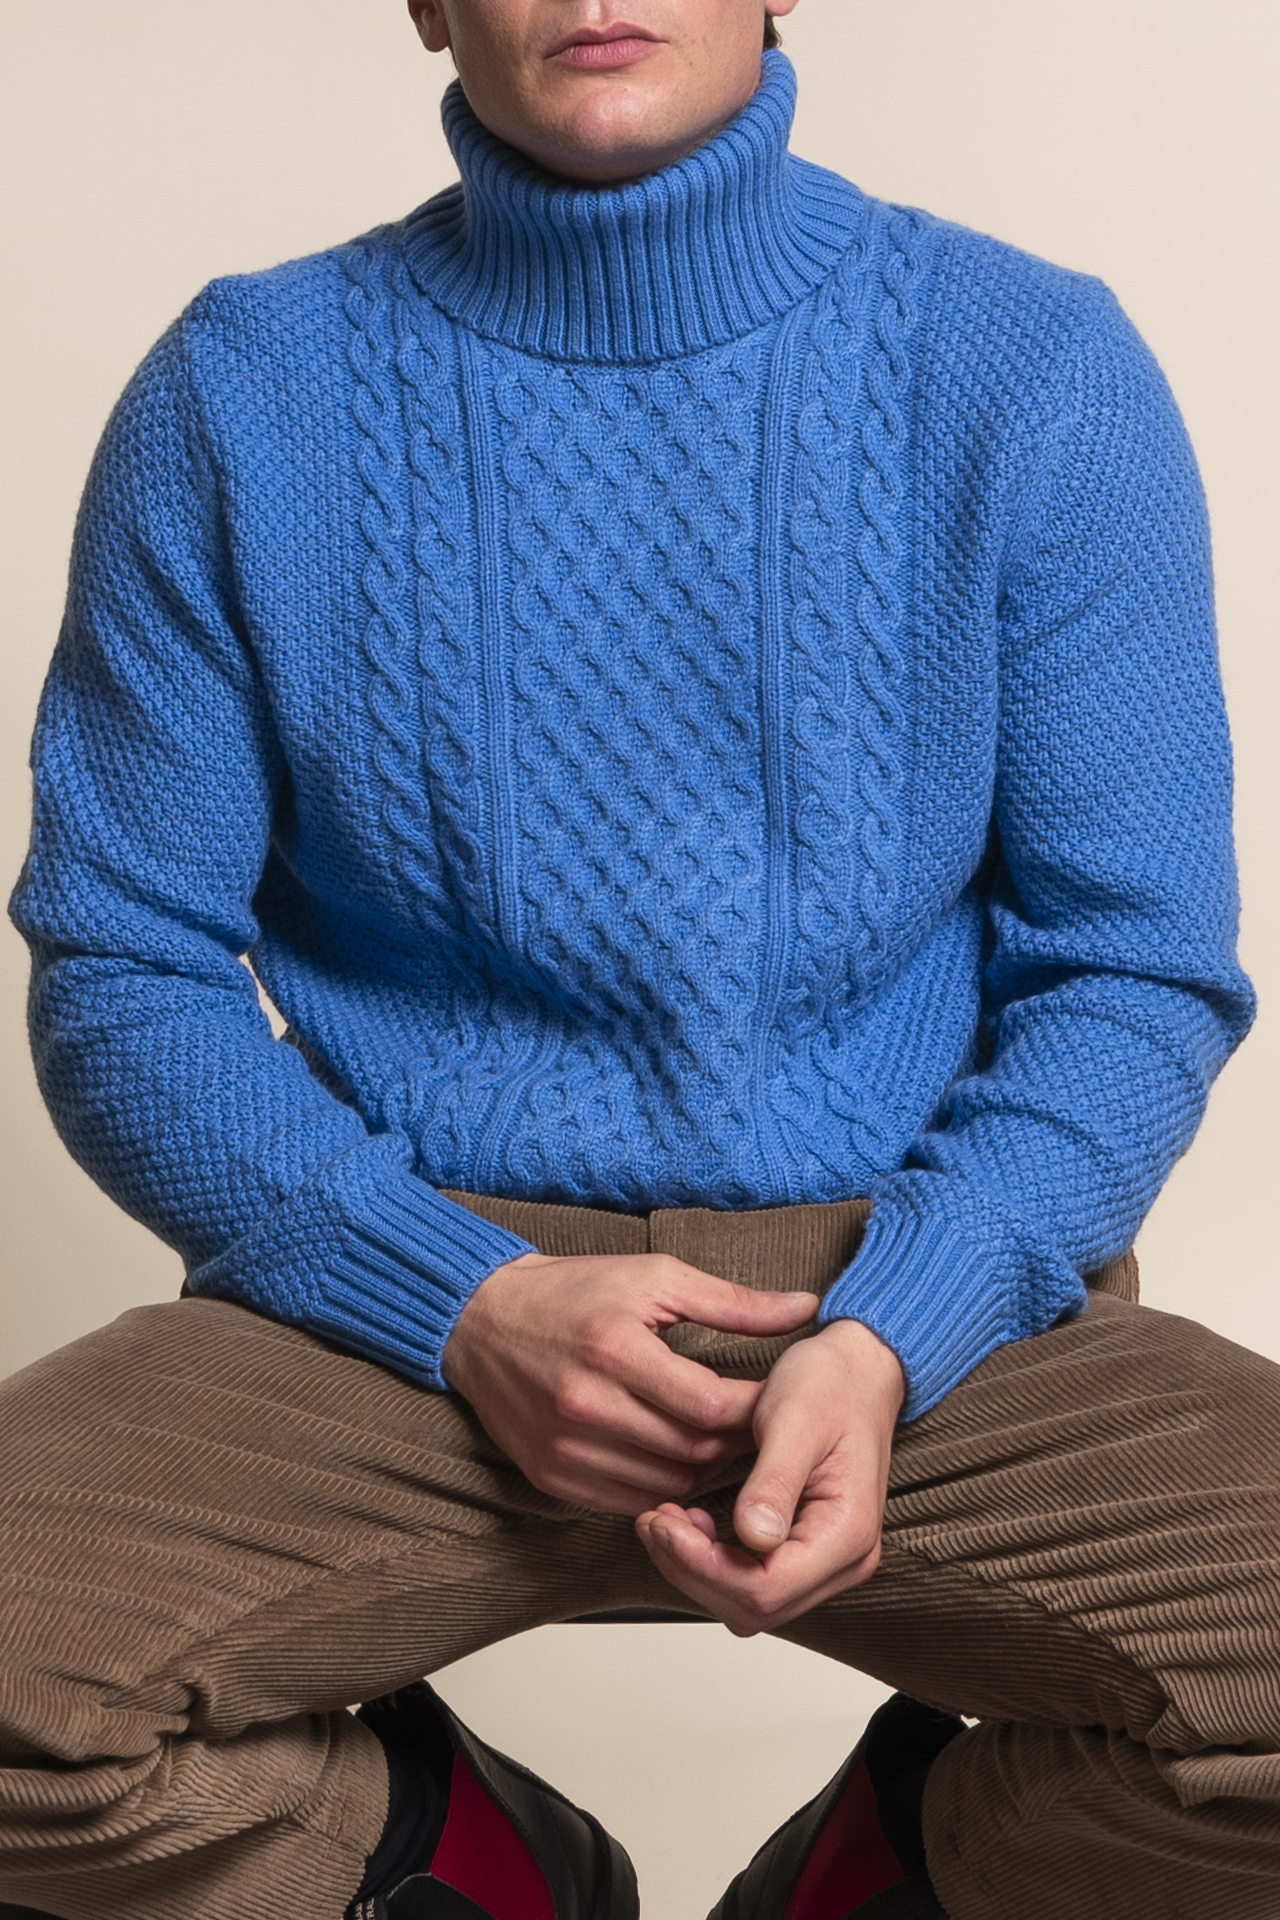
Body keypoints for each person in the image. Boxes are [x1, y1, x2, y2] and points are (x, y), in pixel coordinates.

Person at [1, 1, 1274, 1916]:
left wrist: (904, 1319)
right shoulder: (244, 385)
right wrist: (450, 1298)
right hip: (390, 1307)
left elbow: (1134, 967)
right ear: (425, 0)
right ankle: (462, 1870)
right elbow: (121, 963)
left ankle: (892, 1875)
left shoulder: (1029, 362)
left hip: (923, 1302)